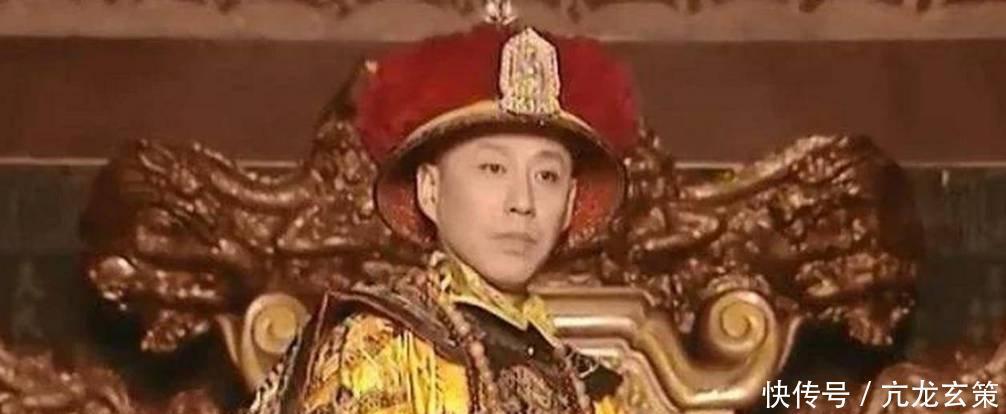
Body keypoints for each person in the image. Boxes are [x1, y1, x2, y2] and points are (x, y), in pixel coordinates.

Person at [247, 19, 642, 414]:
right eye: (492, 168)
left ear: (570, 202)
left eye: (547, 176)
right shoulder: (378, 347)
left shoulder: (595, 395)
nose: (523, 202)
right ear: (430, 189)